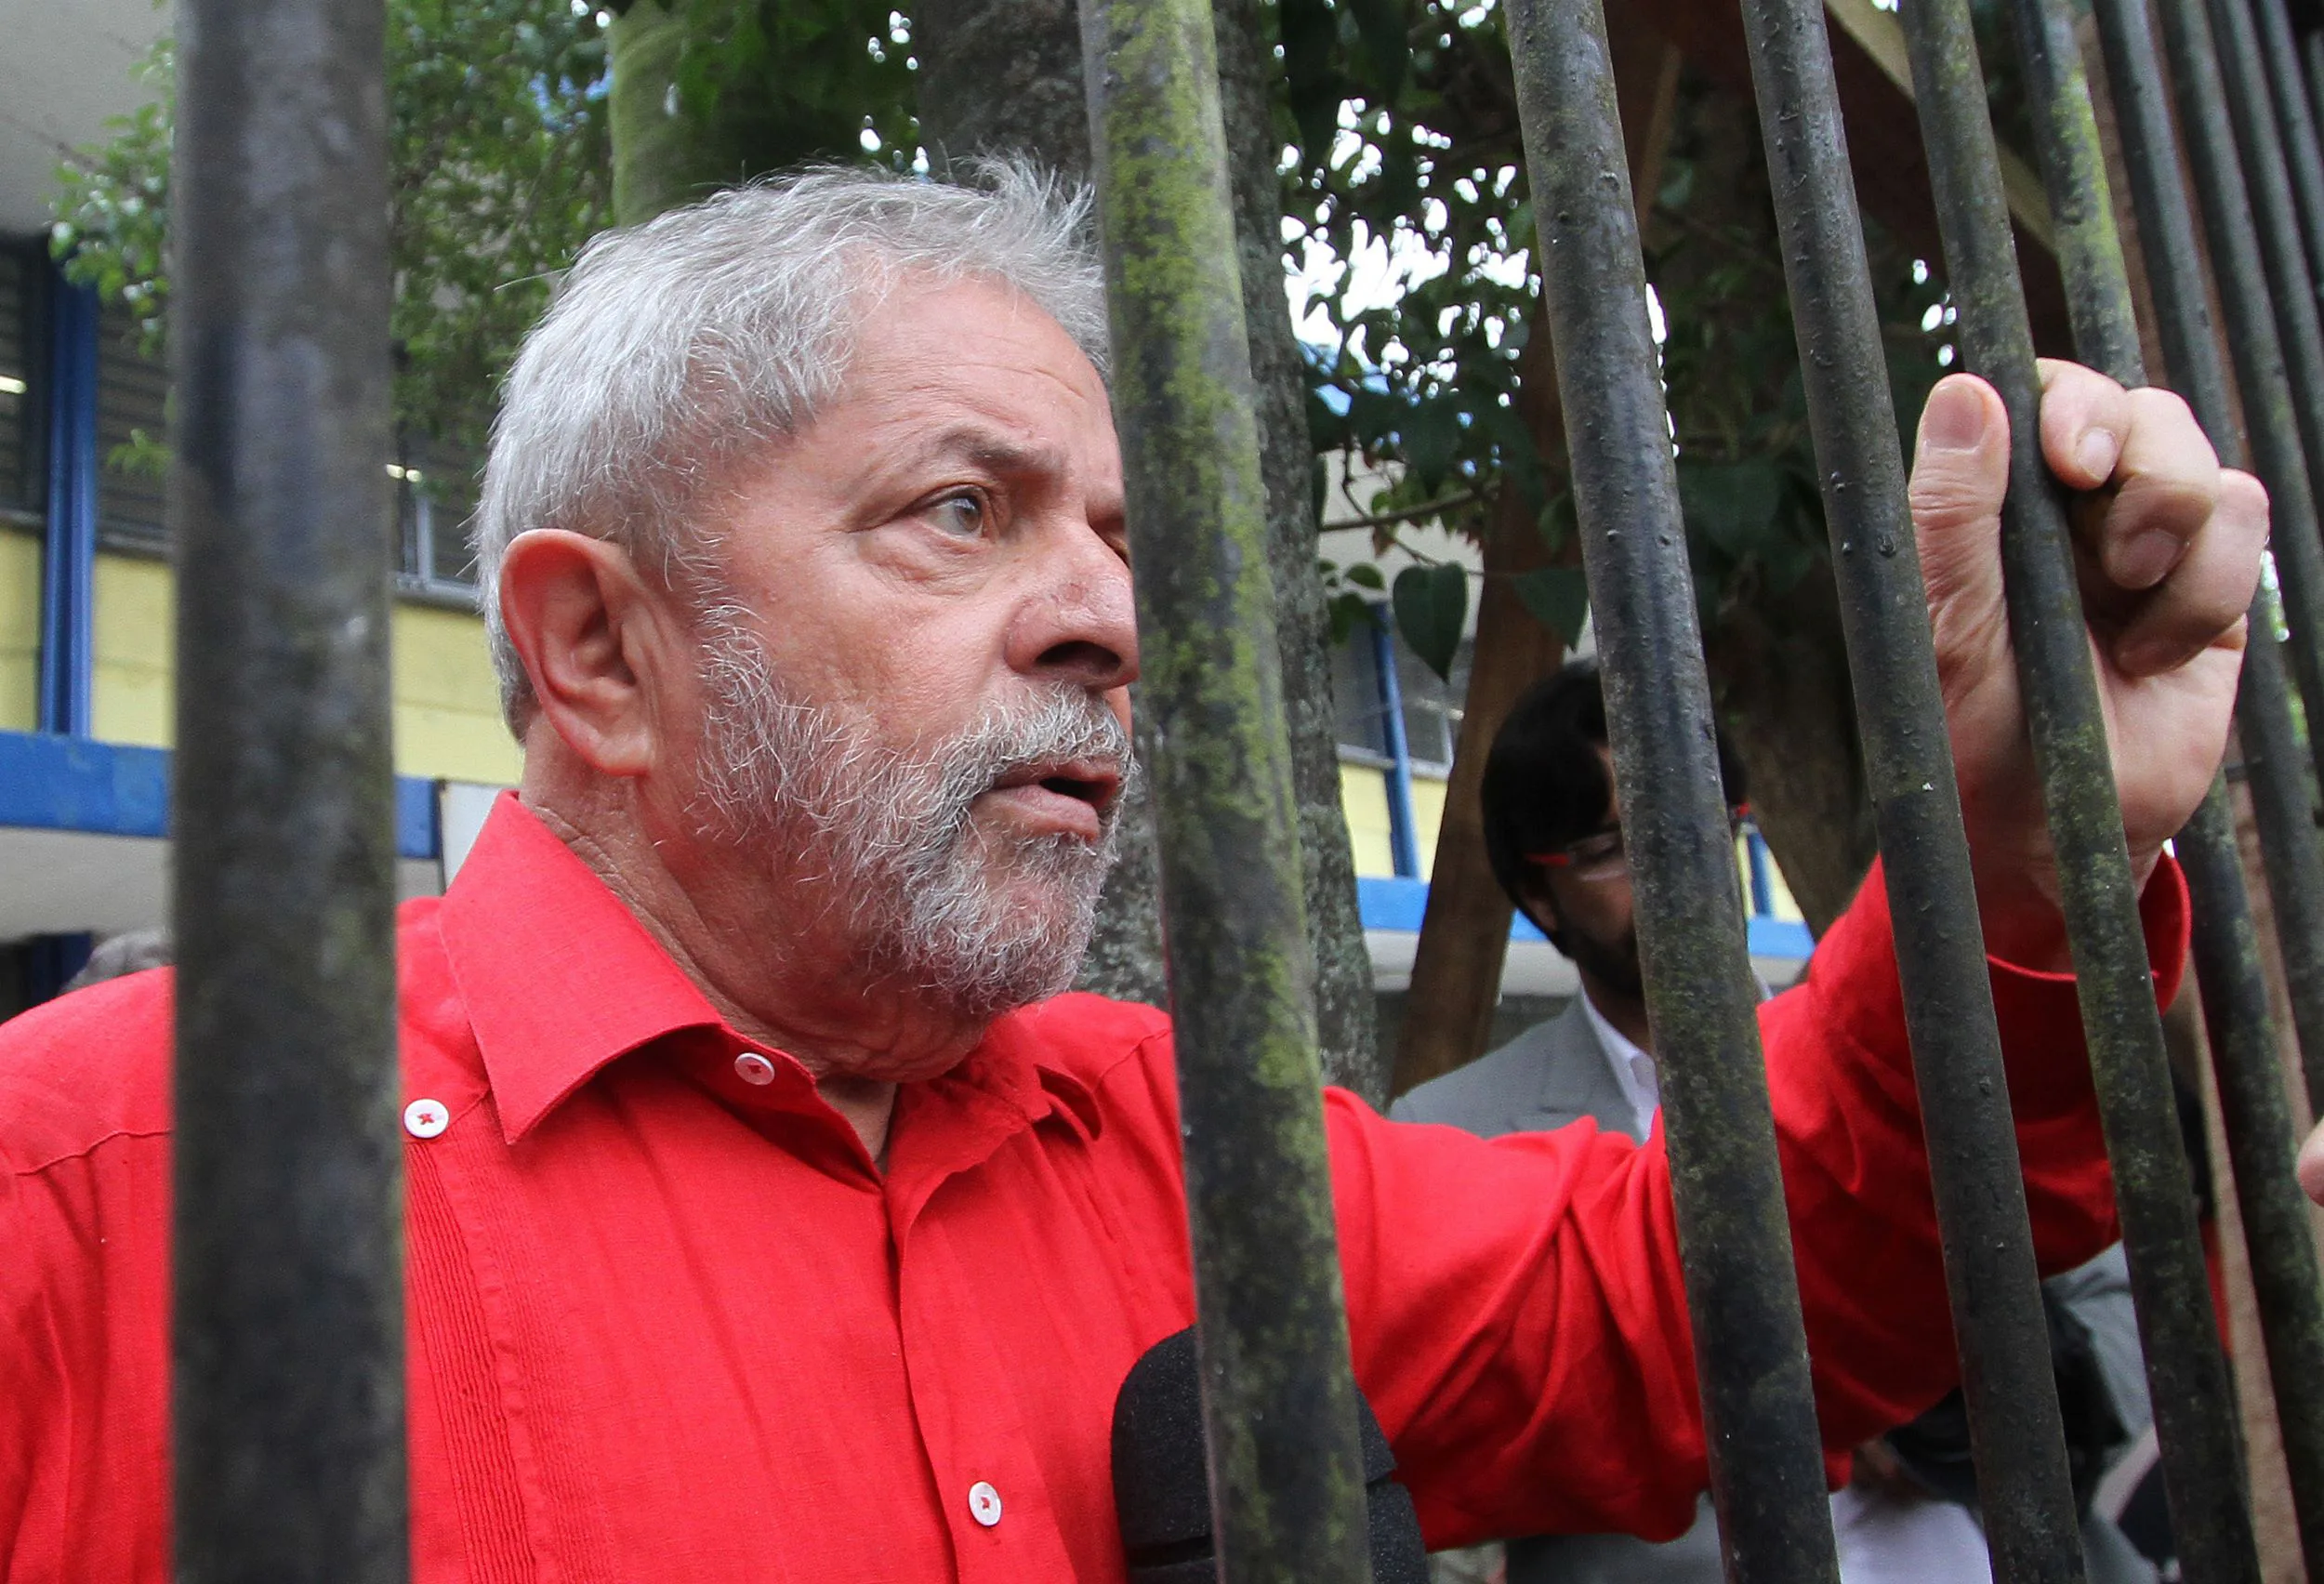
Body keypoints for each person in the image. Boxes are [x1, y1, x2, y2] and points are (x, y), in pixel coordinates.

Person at [0, 165, 2265, 1581]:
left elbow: (1742, 1301)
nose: (1106, 613)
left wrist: (2016, 854)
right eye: (964, 511)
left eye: (1118, 535)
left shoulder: (1180, 1144)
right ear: (594, 645)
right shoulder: (102, 1191)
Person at [1393, 666, 2160, 1584]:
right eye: (1611, 846)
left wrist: (1969, 1406)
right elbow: (1455, 1441)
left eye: (1700, 825)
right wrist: (1781, 1403)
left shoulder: (1890, 1045)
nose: (1676, 869)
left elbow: (2126, 1316)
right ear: (1541, 897)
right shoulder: (1453, 1130)